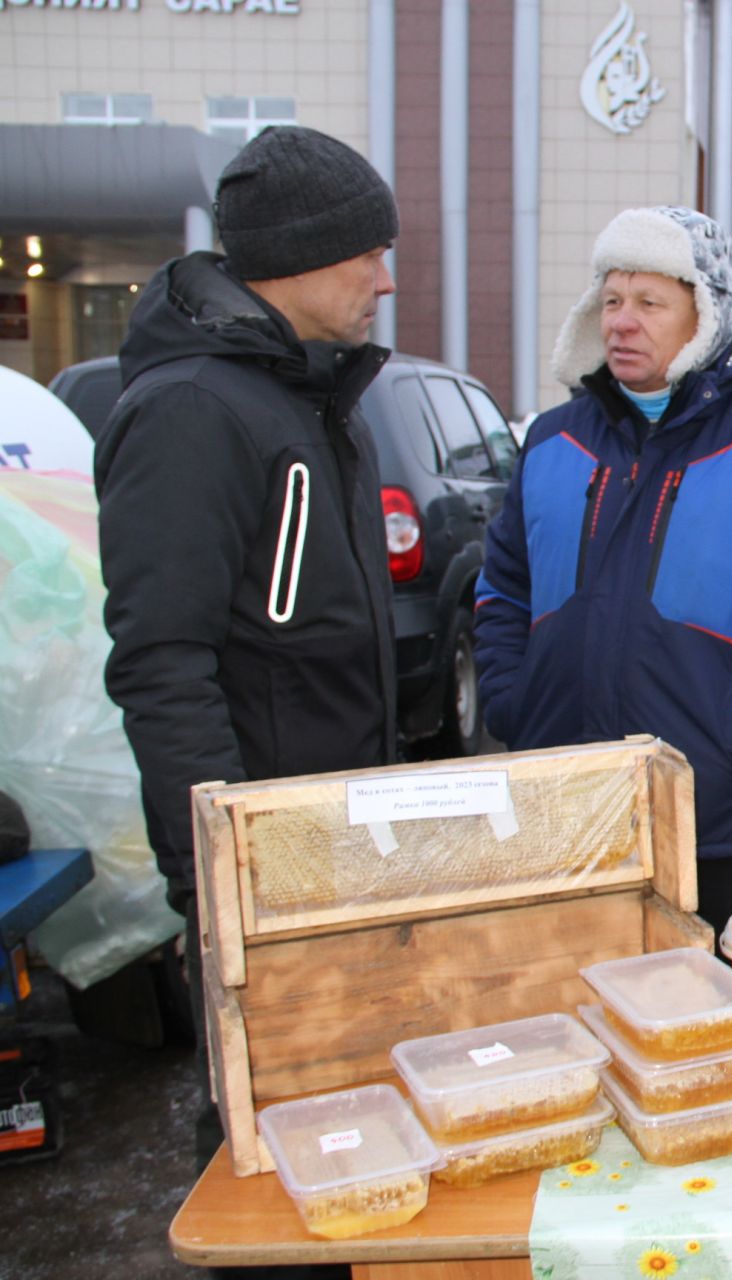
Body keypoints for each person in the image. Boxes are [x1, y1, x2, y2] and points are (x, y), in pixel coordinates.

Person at [96, 125, 399, 1189]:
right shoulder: (195, 408)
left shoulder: (306, 394)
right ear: (305, 256)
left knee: (342, 1112)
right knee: (264, 1131)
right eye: (369, 252)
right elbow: (161, 661)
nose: (385, 277)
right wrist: (215, 883)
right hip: (259, 865)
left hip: (328, 844)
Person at [475, 206, 732, 934]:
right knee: (575, 1021)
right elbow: (503, 588)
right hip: (562, 809)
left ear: (706, 314)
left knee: (708, 1031)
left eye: (650, 302)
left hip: (718, 824)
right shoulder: (553, 441)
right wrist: (511, 702)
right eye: (612, 300)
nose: (622, 322)